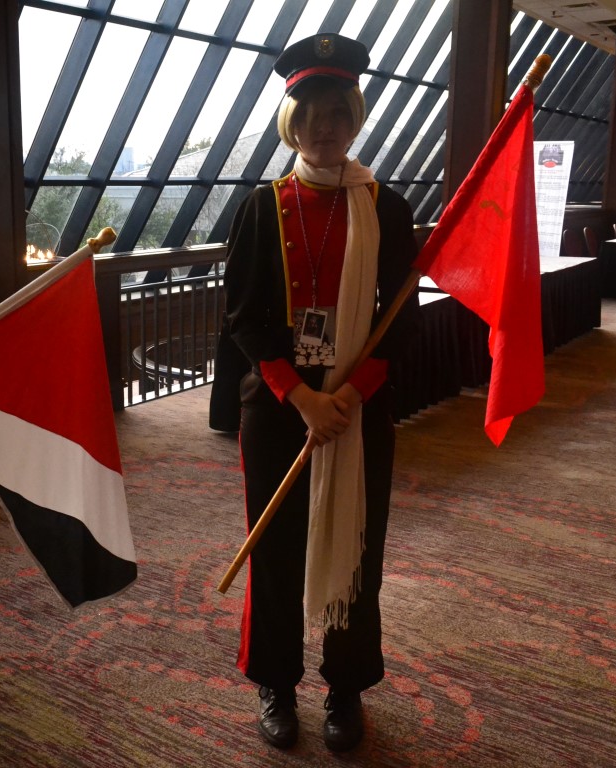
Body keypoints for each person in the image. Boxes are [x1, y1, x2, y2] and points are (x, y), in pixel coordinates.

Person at [222, 33, 420, 753]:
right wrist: (304, 399)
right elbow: (243, 317)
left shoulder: (386, 208)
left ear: (355, 116)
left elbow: (402, 318)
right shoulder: (261, 206)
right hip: (281, 410)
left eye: (337, 111)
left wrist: (349, 396)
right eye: (309, 113)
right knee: (275, 551)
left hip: (359, 411)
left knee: (357, 550)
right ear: (291, 121)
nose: (324, 127)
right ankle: (275, 683)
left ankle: (346, 687)